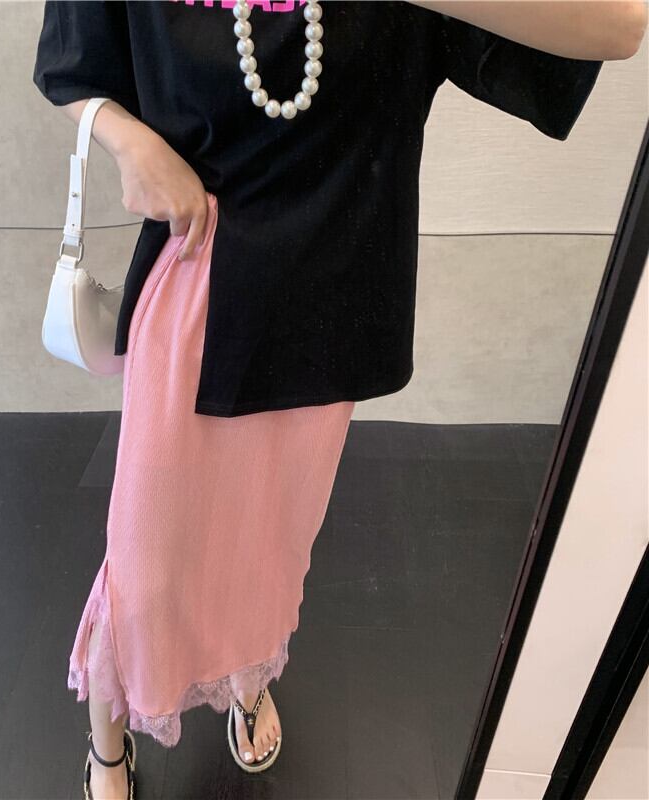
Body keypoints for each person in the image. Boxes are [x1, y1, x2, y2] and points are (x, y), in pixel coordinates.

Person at [32, 1, 643, 797]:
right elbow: (71, 61)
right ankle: (108, 740)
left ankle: (246, 677)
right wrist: (128, 140)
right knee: (146, 550)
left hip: (331, 288)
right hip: (197, 275)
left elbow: (618, 26)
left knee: (270, 539)